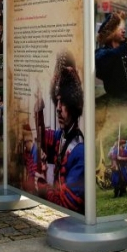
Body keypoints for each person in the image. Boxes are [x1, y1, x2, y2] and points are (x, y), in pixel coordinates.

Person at [33, 50, 85, 214]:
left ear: (74, 105)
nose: (58, 108)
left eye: (64, 102)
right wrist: (39, 110)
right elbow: (43, 139)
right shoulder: (61, 136)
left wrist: (43, 188)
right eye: (58, 101)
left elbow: (67, 204)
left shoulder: (80, 151)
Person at [94, 11, 127, 104]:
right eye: (120, 28)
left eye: (124, 28)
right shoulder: (102, 53)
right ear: (112, 31)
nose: (124, 31)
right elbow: (103, 58)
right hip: (116, 106)